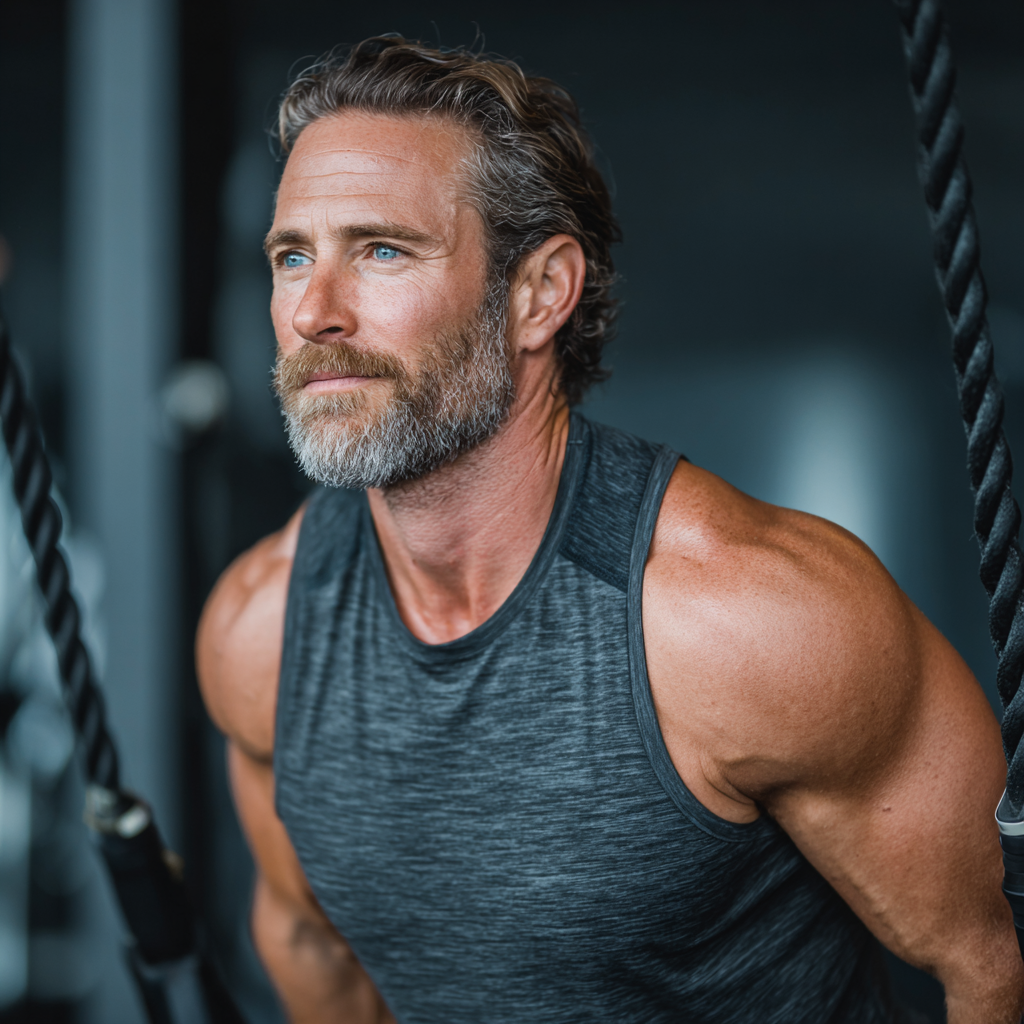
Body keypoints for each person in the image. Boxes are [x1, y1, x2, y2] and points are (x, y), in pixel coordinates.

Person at [196, 36, 1024, 1024]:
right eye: (294, 257)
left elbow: (990, 958)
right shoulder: (262, 628)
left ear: (539, 291)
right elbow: (307, 946)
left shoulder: (744, 622)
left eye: (382, 249)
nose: (315, 311)